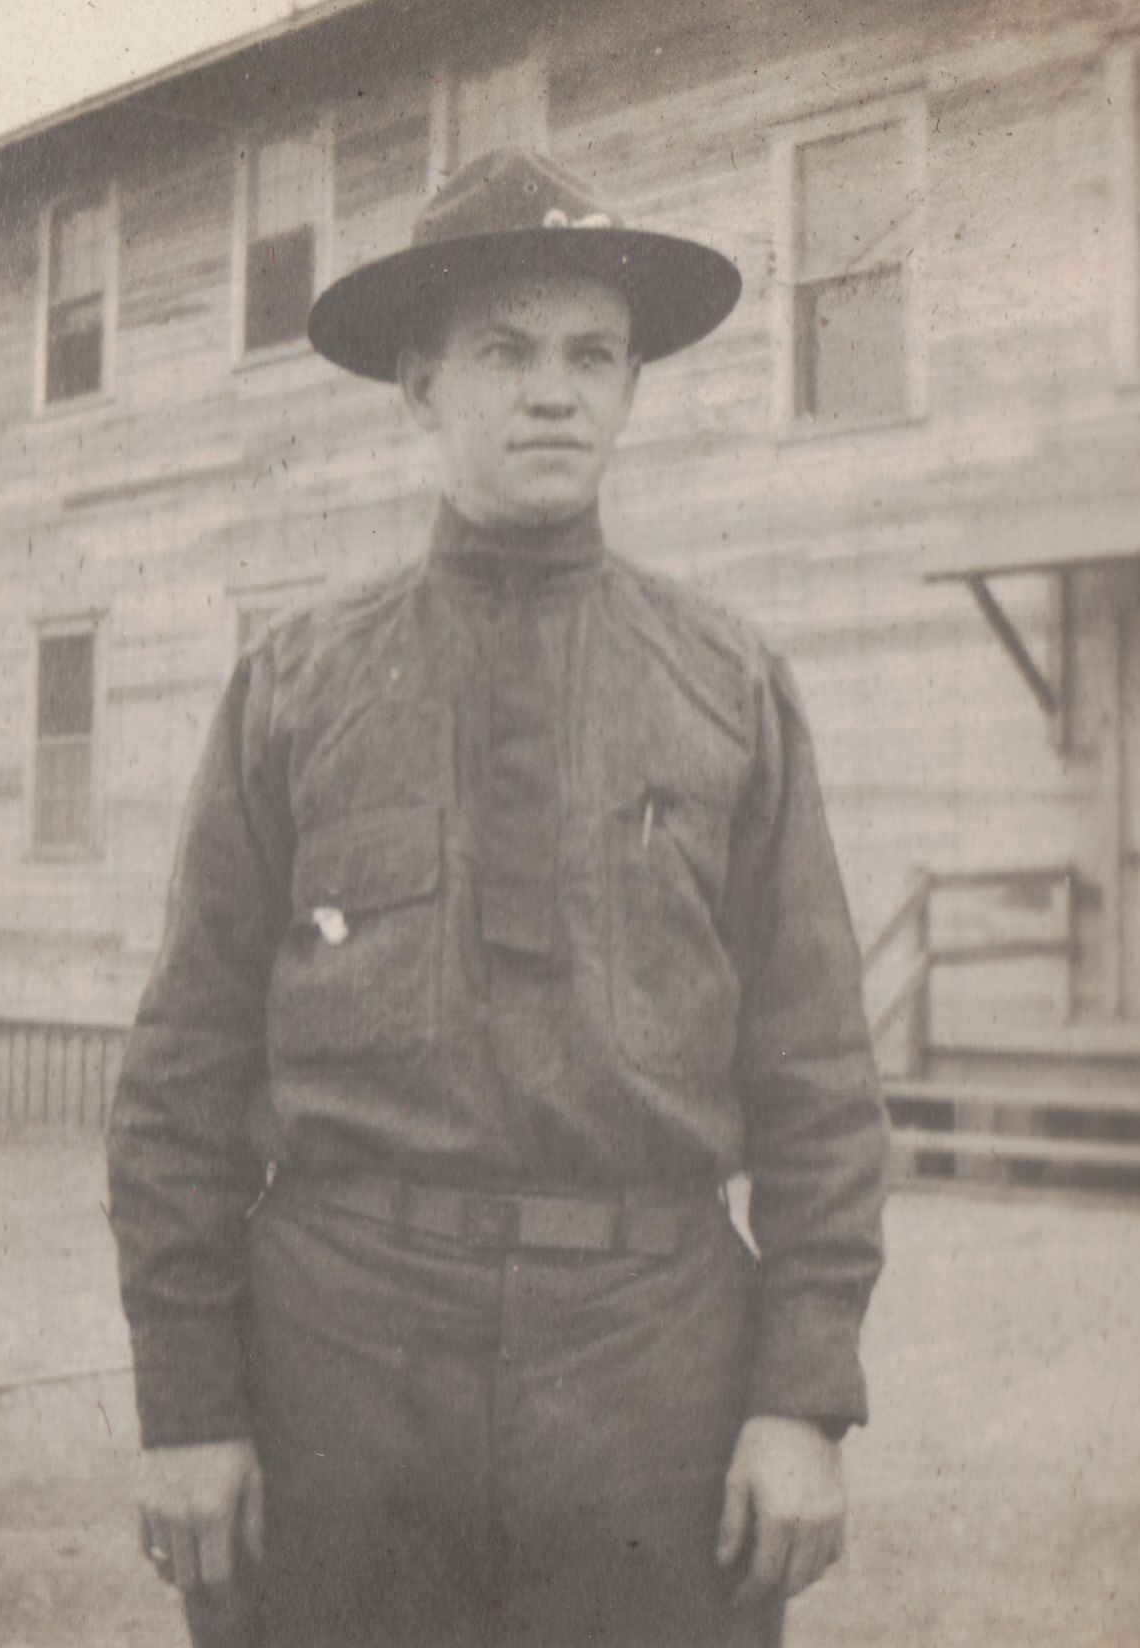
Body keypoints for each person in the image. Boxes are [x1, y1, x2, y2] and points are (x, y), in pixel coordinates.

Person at [106, 149, 889, 1648]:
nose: (553, 394)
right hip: (342, 1367)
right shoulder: (296, 685)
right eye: (505, 352)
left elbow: (819, 1078)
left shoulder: (728, 685)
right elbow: (182, 1072)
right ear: (420, 384)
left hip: (651, 1373)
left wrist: (802, 1400)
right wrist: (190, 1405)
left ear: (633, 388)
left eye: (593, 355)